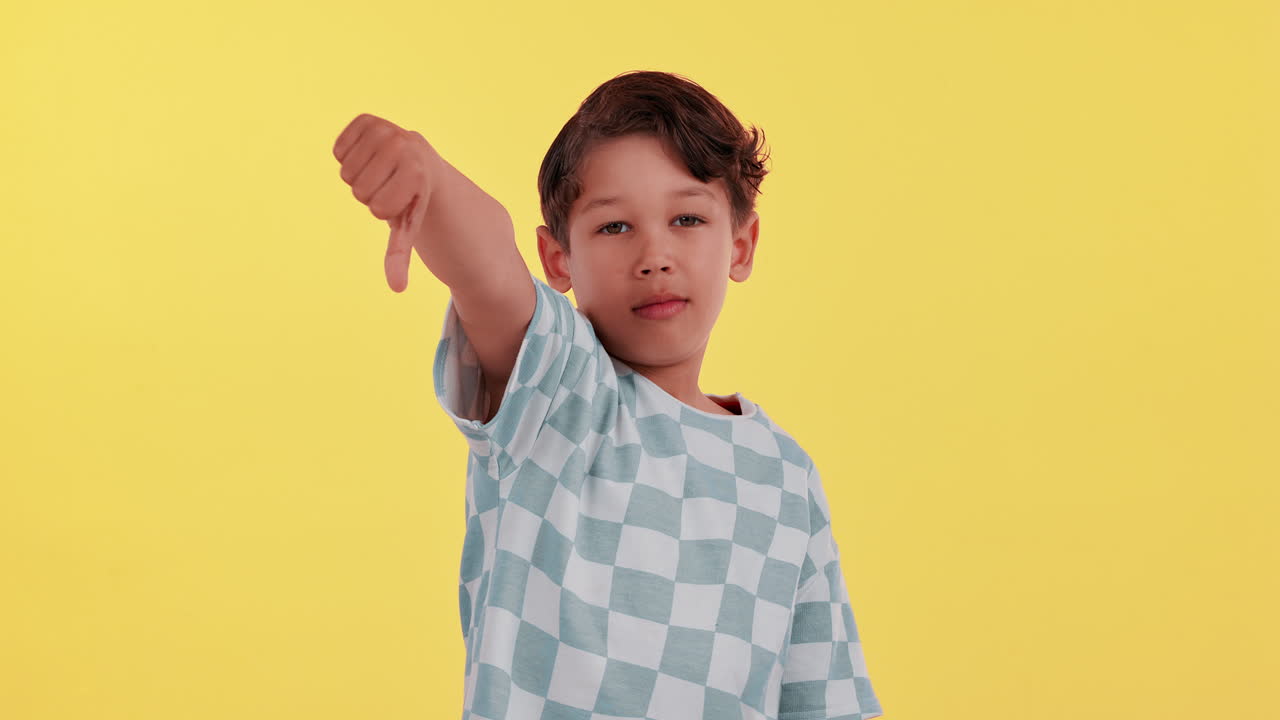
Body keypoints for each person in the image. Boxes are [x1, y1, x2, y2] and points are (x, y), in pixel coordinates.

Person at [333, 69, 884, 720]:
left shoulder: (788, 477)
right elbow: (489, 274)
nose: (654, 255)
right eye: (614, 227)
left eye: (686, 218)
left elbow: (823, 697)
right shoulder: (558, 395)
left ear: (741, 243)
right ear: (559, 258)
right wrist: (431, 181)